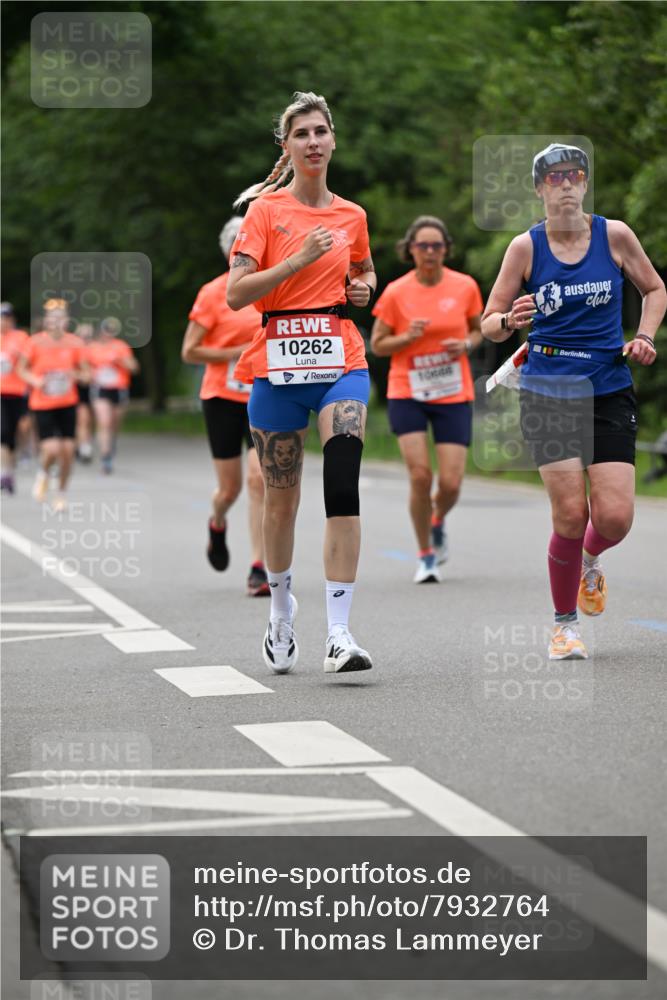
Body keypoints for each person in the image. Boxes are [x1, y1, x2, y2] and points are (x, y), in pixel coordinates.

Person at [481, 143, 666, 660]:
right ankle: (564, 626)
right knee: (568, 511)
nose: (565, 183)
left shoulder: (615, 235)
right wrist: (508, 322)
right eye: (554, 177)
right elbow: (489, 319)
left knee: (614, 519)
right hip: (548, 390)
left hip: (607, 385)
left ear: (584, 184)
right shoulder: (525, 247)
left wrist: (645, 335)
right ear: (540, 188)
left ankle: (589, 558)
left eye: (574, 175)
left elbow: (654, 289)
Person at [227, 91, 376, 675]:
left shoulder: (353, 215)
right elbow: (238, 293)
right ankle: (281, 612)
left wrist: (365, 288)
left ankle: (339, 634)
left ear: (333, 139)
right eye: (301, 135)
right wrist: (295, 261)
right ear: (286, 148)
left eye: (321, 131)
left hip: (342, 360)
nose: (313, 142)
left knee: (342, 485)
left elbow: (362, 270)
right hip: (278, 367)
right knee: (281, 500)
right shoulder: (265, 212)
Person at [371, 216, 484, 582]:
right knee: (420, 475)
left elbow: (478, 330)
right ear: (411, 250)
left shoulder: (464, 286)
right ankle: (426, 555)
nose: (431, 252)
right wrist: (405, 338)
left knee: (451, 483)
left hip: (452, 391)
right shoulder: (395, 293)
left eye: (437, 246)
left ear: (446, 249)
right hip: (408, 391)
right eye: (423, 246)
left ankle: (436, 519)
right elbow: (377, 344)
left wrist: (465, 344)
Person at [181, 216, 269, 597]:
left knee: (259, 478)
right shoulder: (213, 293)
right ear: (228, 253)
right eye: (236, 248)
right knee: (230, 489)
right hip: (222, 397)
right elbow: (190, 350)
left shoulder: (272, 288)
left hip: (263, 394)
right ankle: (217, 521)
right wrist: (233, 353)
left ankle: (258, 567)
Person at [17, 299, 90, 509]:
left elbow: (86, 374)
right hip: (42, 403)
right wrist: (35, 381)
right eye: (53, 317)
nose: (57, 321)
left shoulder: (75, 343)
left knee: (67, 450)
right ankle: (43, 474)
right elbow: (21, 369)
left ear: (67, 320)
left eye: (61, 317)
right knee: (52, 449)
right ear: (46, 321)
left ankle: (61, 494)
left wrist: (75, 374)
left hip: (67, 402)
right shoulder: (34, 343)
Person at [86, 317, 139, 474]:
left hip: (119, 389)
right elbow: (84, 368)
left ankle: (111, 443)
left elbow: (134, 368)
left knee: (114, 423)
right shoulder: (92, 348)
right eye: (105, 330)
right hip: (101, 388)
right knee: (105, 421)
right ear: (100, 331)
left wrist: (120, 361)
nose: (108, 334)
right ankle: (105, 456)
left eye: (111, 331)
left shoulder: (121, 347)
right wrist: (92, 374)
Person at [0, 302, 30, 494]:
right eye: (2, 318)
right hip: (1, 392)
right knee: (3, 431)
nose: (5, 322)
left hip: (19, 391)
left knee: (18, 431)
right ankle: (4, 472)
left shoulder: (22, 338)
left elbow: (31, 360)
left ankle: (10, 469)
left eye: (8, 318)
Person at [74, 321, 95, 463]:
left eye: (88, 336)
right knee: (83, 418)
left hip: (95, 388)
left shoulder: (95, 349)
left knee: (89, 420)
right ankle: (84, 447)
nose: (85, 339)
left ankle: (81, 443)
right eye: (83, 335)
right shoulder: (72, 349)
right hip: (77, 388)